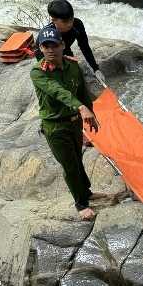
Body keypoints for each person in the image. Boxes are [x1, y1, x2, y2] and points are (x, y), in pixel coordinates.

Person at [30, 26, 100, 221]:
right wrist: (81, 108)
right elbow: (59, 92)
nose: (50, 50)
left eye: (54, 45)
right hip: (54, 126)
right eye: (46, 46)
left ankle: (86, 192)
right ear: (41, 49)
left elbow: (81, 92)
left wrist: (90, 112)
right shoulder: (38, 72)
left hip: (74, 122)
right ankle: (81, 203)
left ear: (62, 45)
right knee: (69, 164)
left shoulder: (72, 66)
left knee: (77, 157)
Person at [35, 0, 99, 73]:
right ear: (54, 20)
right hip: (50, 57)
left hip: (66, 51)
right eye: (65, 22)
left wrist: (95, 68)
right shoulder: (46, 34)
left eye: (71, 19)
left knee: (76, 72)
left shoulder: (77, 24)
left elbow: (84, 46)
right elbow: (40, 55)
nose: (69, 24)